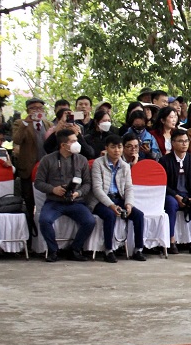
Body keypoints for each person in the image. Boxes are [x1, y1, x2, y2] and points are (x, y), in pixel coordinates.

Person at [34, 128, 96, 262]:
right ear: (63, 145)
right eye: (73, 141)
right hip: (54, 201)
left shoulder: (82, 160)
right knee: (44, 220)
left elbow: (87, 183)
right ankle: (53, 250)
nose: (77, 143)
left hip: (76, 201)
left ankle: (75, 249)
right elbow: (38, 183)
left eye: (77, 140)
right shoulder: (47, 160)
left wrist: (78, 192)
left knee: (90, 221)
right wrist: (53, 189)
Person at [90, 134, 147, 263]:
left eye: (119, 147)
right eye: (113, 147)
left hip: (118, 198)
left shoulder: (125, 166)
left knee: (139, 215)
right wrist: (111, 205)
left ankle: (138, 249)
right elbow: (97, 189)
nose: (117, 150)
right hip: (101, 201)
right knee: (110, 215)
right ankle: (108, 250)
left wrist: (128, 204)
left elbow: (128, 188)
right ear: (106, 148)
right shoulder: (98, 163)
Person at [160, 128, 191, 255]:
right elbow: (163, 184)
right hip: (172, 194)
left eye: (186, 141)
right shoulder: (165, 160)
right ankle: (171, 241)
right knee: (171, 205)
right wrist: (176, 196)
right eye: (181, 141)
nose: (184, 144)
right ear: (173, 143)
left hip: (188, 194)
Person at [12, 97, 50, 230]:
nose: (37, 110)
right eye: (33, 108)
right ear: (27, 110)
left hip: (45, 169)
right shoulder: (20, 123)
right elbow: (16, 140)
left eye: (39, 108)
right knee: (29, 200)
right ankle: (29, 230)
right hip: (28, 168)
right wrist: (25, 123)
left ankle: (42, 228)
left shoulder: (48, 124)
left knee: (45, 199)